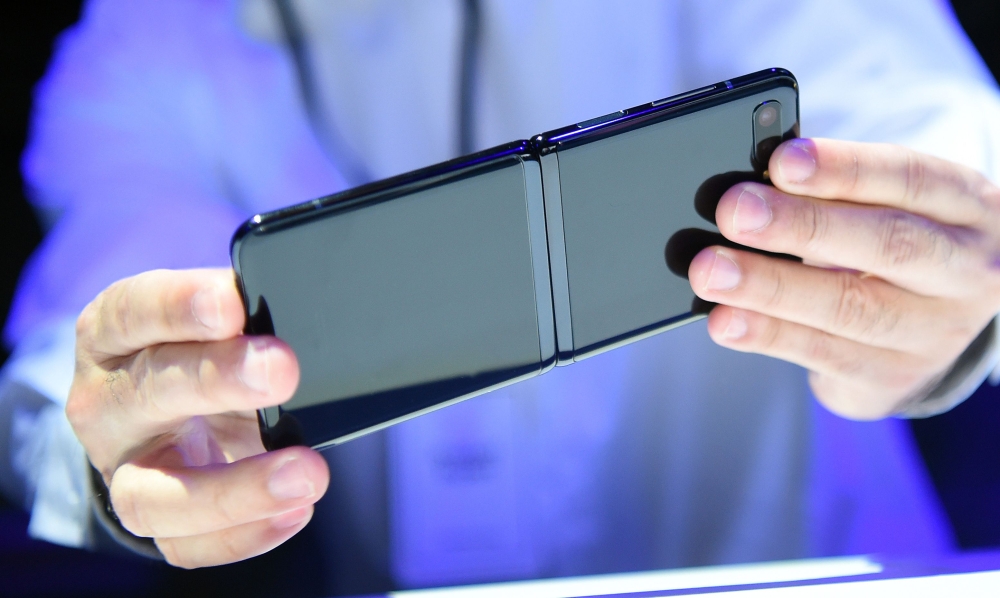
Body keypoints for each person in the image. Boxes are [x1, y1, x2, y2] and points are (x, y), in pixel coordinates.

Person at [3, 0, 1000, 593]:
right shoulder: (143, 41)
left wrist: (963, 277)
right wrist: (125, 445)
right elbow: (94, 317)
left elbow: (935, 121)